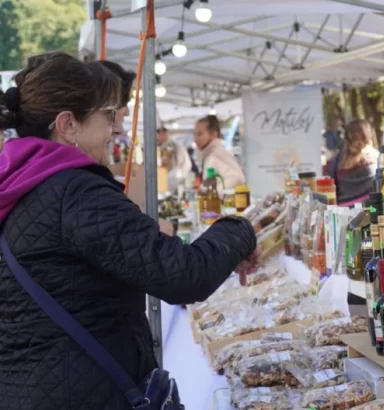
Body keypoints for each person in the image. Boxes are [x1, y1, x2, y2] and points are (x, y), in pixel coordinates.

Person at [0, 52, 261, 408]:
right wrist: (239, 230)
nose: (118, 128)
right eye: (108, 116)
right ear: (68, 125)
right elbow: (184, 275)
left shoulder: (18, 183)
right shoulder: (75, 192)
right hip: (84, 394)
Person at [324, 119, 379, 206]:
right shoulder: (375, 158)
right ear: (368, 135)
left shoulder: (337, 162)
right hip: (371, 211)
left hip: (342, 213)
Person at [194, 114, 246, 188]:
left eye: (200, 134)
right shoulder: (211, 154)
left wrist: (215, 193)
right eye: (195, 134)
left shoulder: (217, 154)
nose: (195, 138)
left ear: (214, 134)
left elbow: (238, 178)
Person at [158, 125, 193, 193]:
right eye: (159, 134)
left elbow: (187, 164)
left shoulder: (177, 147)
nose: (161, 136)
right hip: (161, 181)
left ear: (166, 134)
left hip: (175, 179)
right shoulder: (156, 148)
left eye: (163, 134)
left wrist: (180, 176)